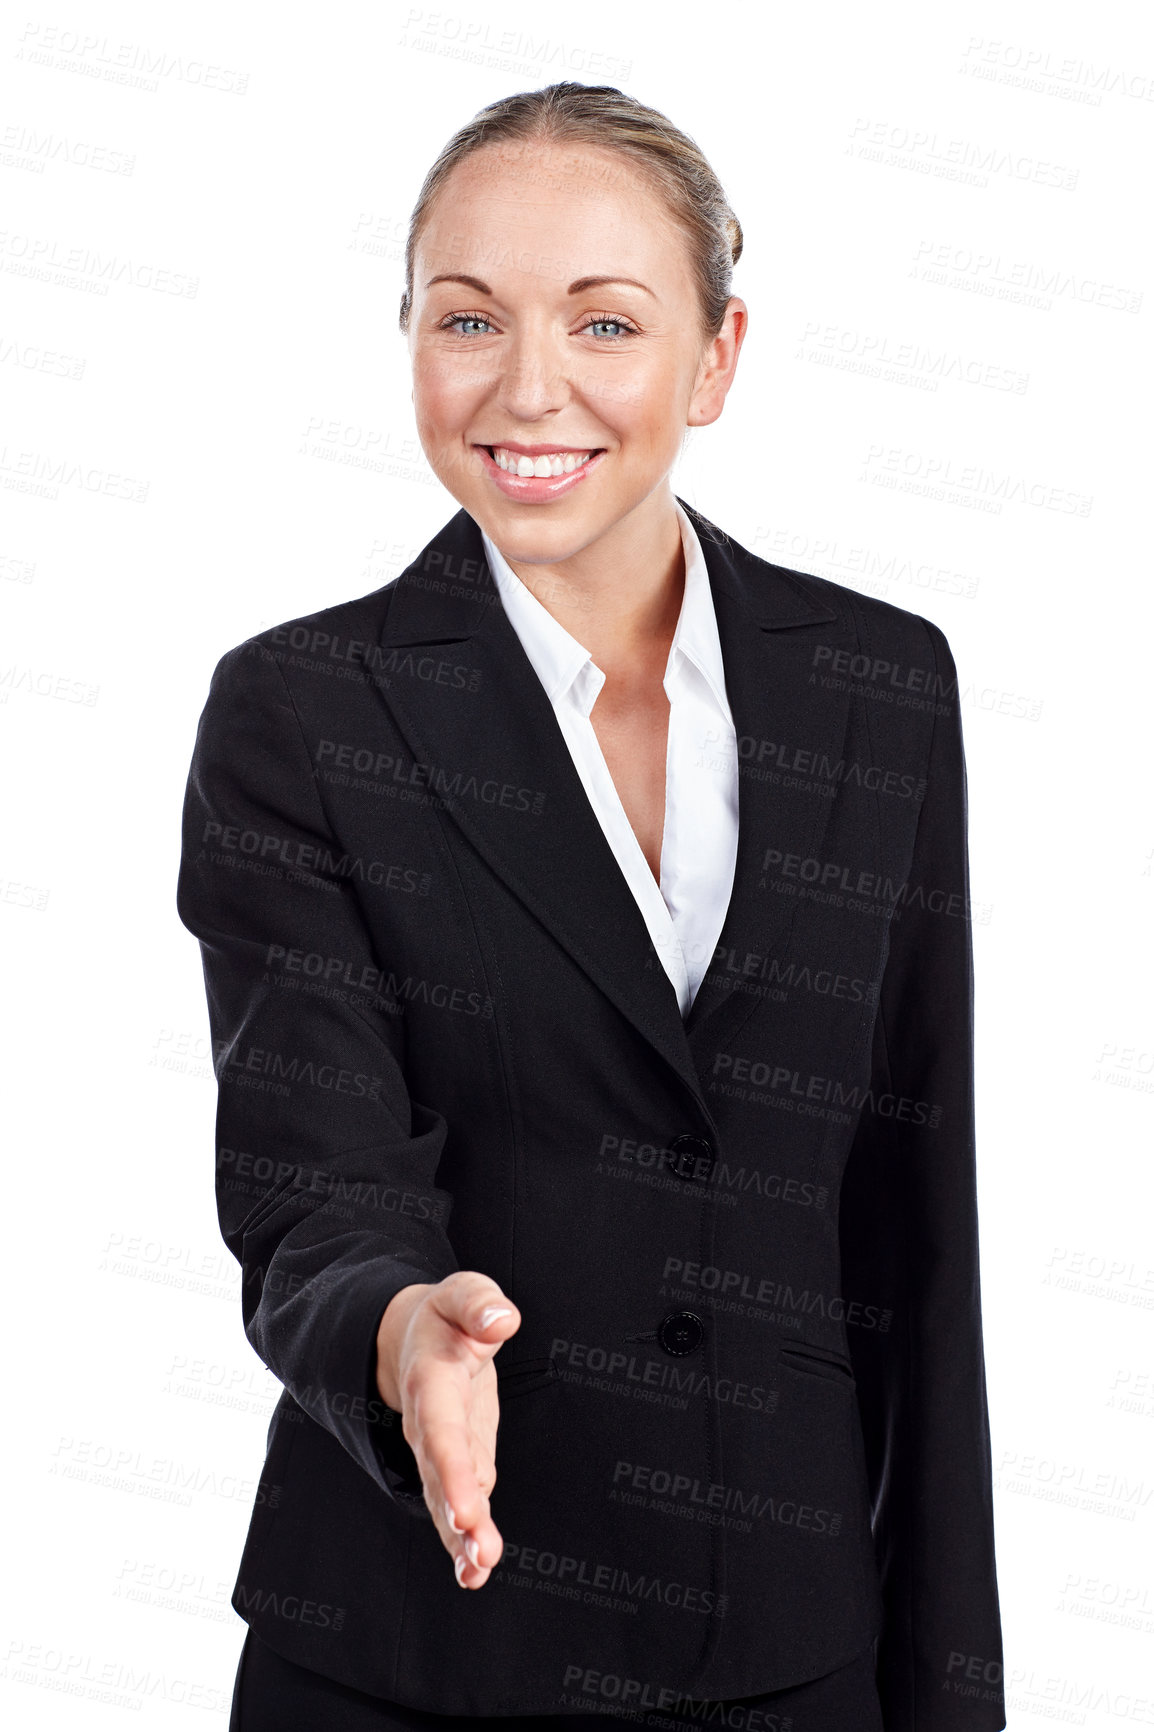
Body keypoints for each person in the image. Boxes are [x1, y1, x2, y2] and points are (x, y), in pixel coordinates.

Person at [177, 81, 1006, 1732]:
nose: (527, 387)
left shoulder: (876, 684)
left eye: (605, 321)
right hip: (415, 1646)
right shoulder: (304, 711)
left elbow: (914, 1230)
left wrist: (948, 1691)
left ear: (714, 357)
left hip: (787, 1650)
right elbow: (312, 1179)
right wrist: (404, 1327)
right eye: (465, 317)